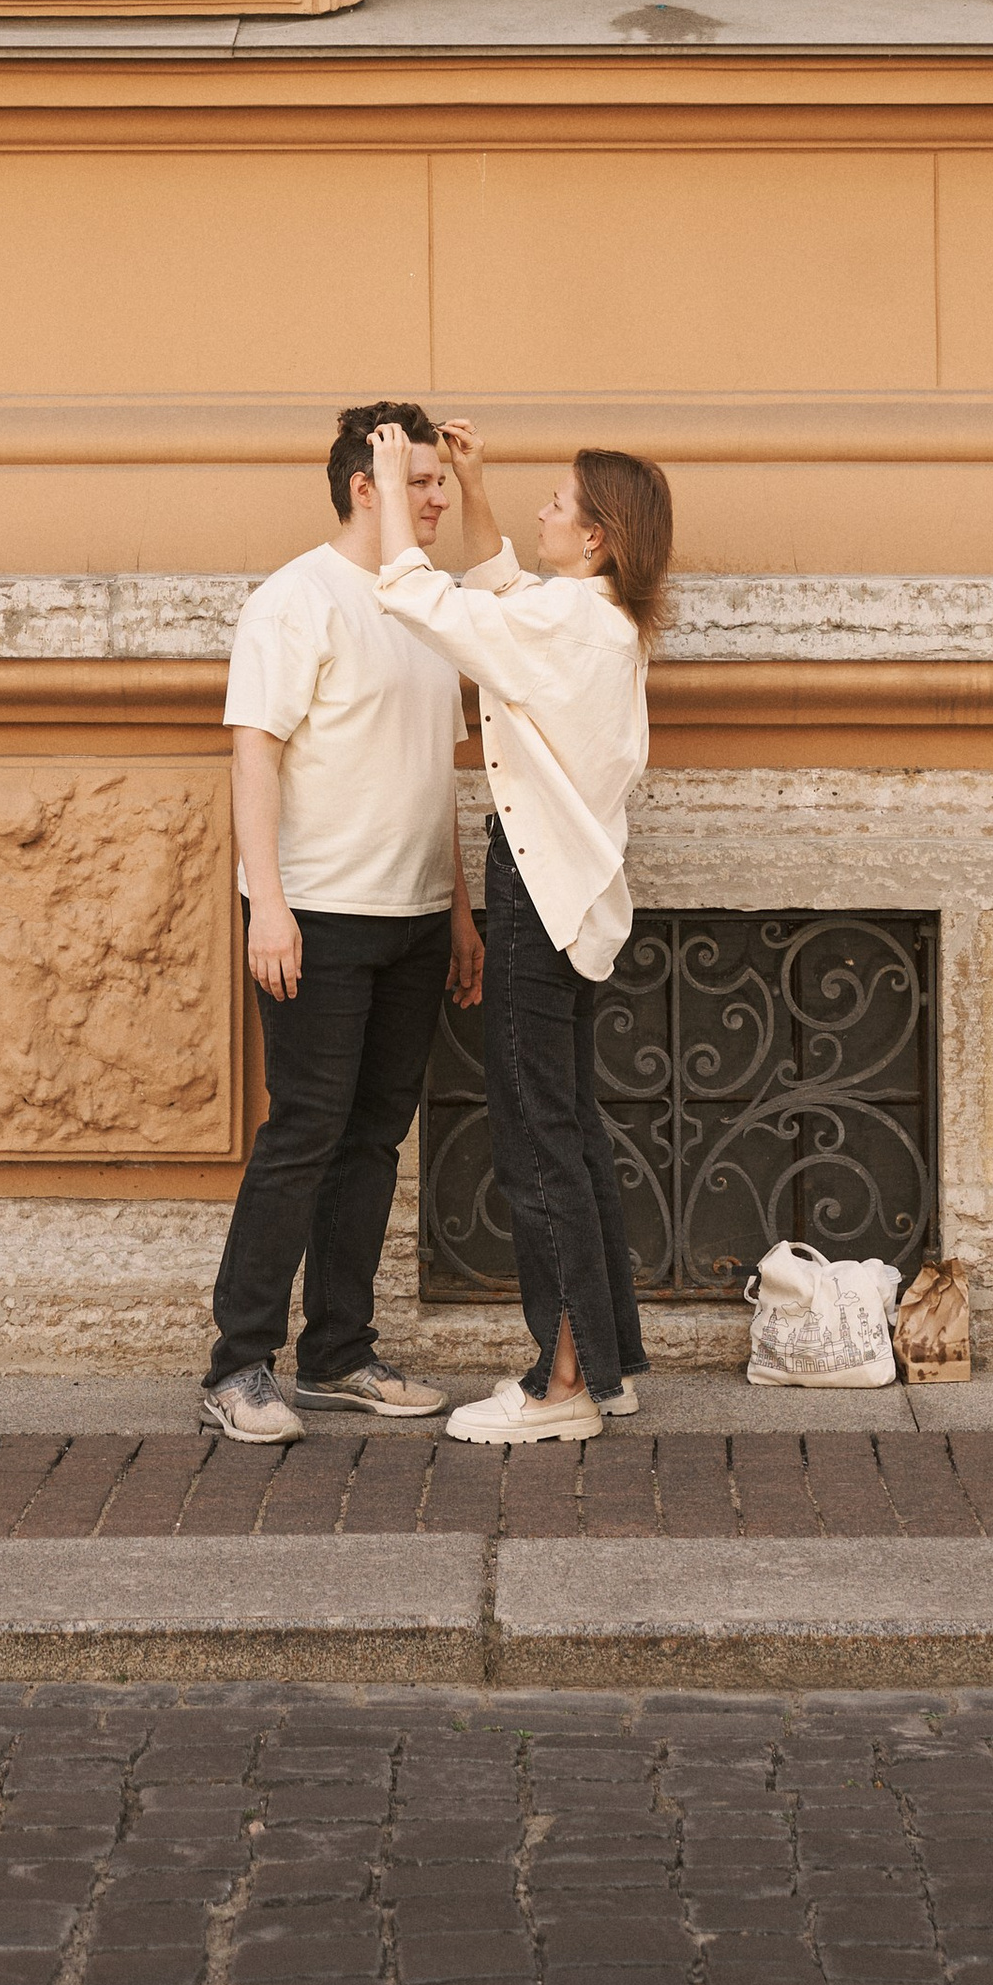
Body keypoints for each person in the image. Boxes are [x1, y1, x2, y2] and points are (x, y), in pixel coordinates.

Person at [368, 414, 672, 1446]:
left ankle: (560, 1386)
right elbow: (504, 594)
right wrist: (477, 487)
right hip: (571, 896)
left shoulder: (569, 627)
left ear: (595, 540)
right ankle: (609, 1362)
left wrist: (383, 479)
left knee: (535, 1145)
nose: (543, 513)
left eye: (558, 504)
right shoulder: (596, 619)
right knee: (571, 1132)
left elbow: (427, 600)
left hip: (539, 898)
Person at [200, 399, 484, 1444]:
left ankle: (337, 1354)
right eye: (417, 480)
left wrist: (456, 912)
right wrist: (266, 905)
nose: (437, 495)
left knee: (372, 1141)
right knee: (304, 1135)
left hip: (411, 919)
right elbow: (253, 753)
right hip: (315, 915)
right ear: (365, 486)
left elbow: (434, 771)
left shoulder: (428, 605)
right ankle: (237, 1367)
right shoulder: (296, 600)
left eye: (442, 480)